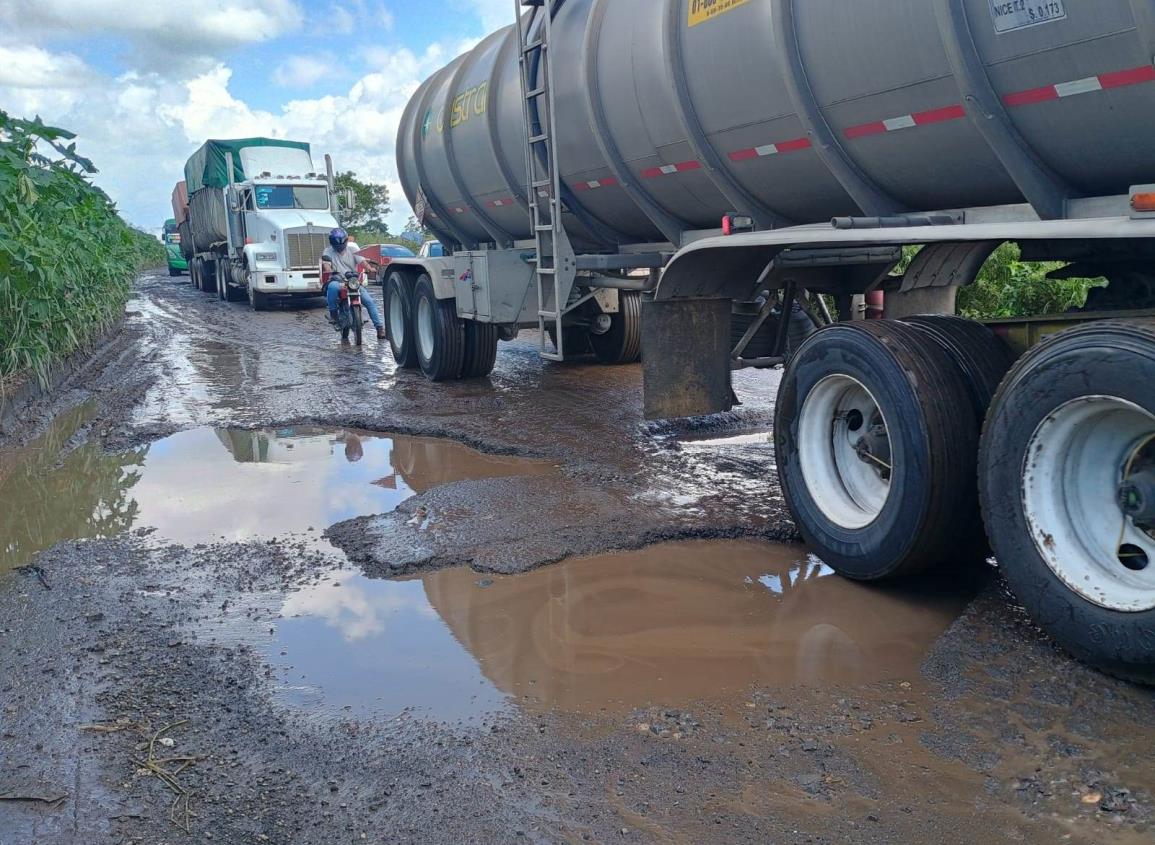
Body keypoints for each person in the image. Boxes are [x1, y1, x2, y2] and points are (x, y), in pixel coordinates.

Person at [321, 228, 385, 340]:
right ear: (332, 243)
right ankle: (334, 316)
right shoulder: (328, 251)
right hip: (337, 280)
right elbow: (327, 265)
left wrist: (370, 269)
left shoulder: (353, 248)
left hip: (353, 280)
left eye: (342, 243)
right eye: (337, 244)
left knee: (369, 301)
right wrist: (331, 272)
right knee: (332, 288)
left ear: (346, 241)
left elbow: (362, 262)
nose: (340, 246)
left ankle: (379, 328)